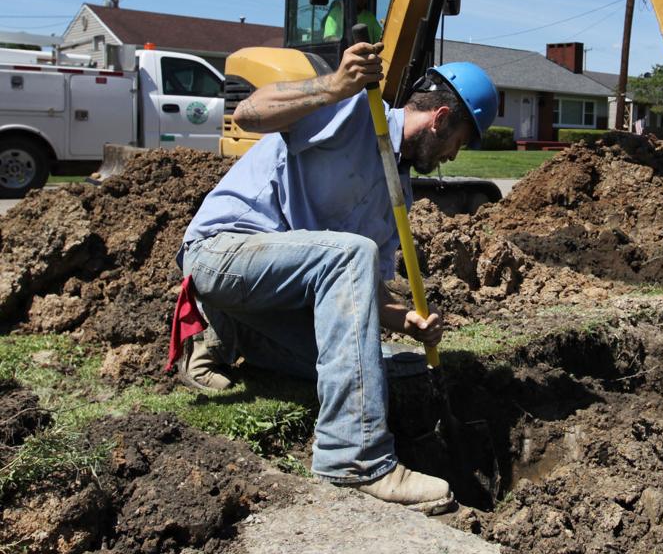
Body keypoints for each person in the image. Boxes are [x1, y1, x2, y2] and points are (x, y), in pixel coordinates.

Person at [170, 41, 498, 513]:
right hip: (222, 253)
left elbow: (359, 288)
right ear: (441, 118)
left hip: (273, 293)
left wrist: (405, 321)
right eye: (459, 141)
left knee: (380, 366)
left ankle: (225, 333)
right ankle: (353, 458)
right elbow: (249, 112)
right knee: (351, 256)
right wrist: (334, 85)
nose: (452, 156)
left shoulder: (396, 190)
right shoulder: (356, 111)